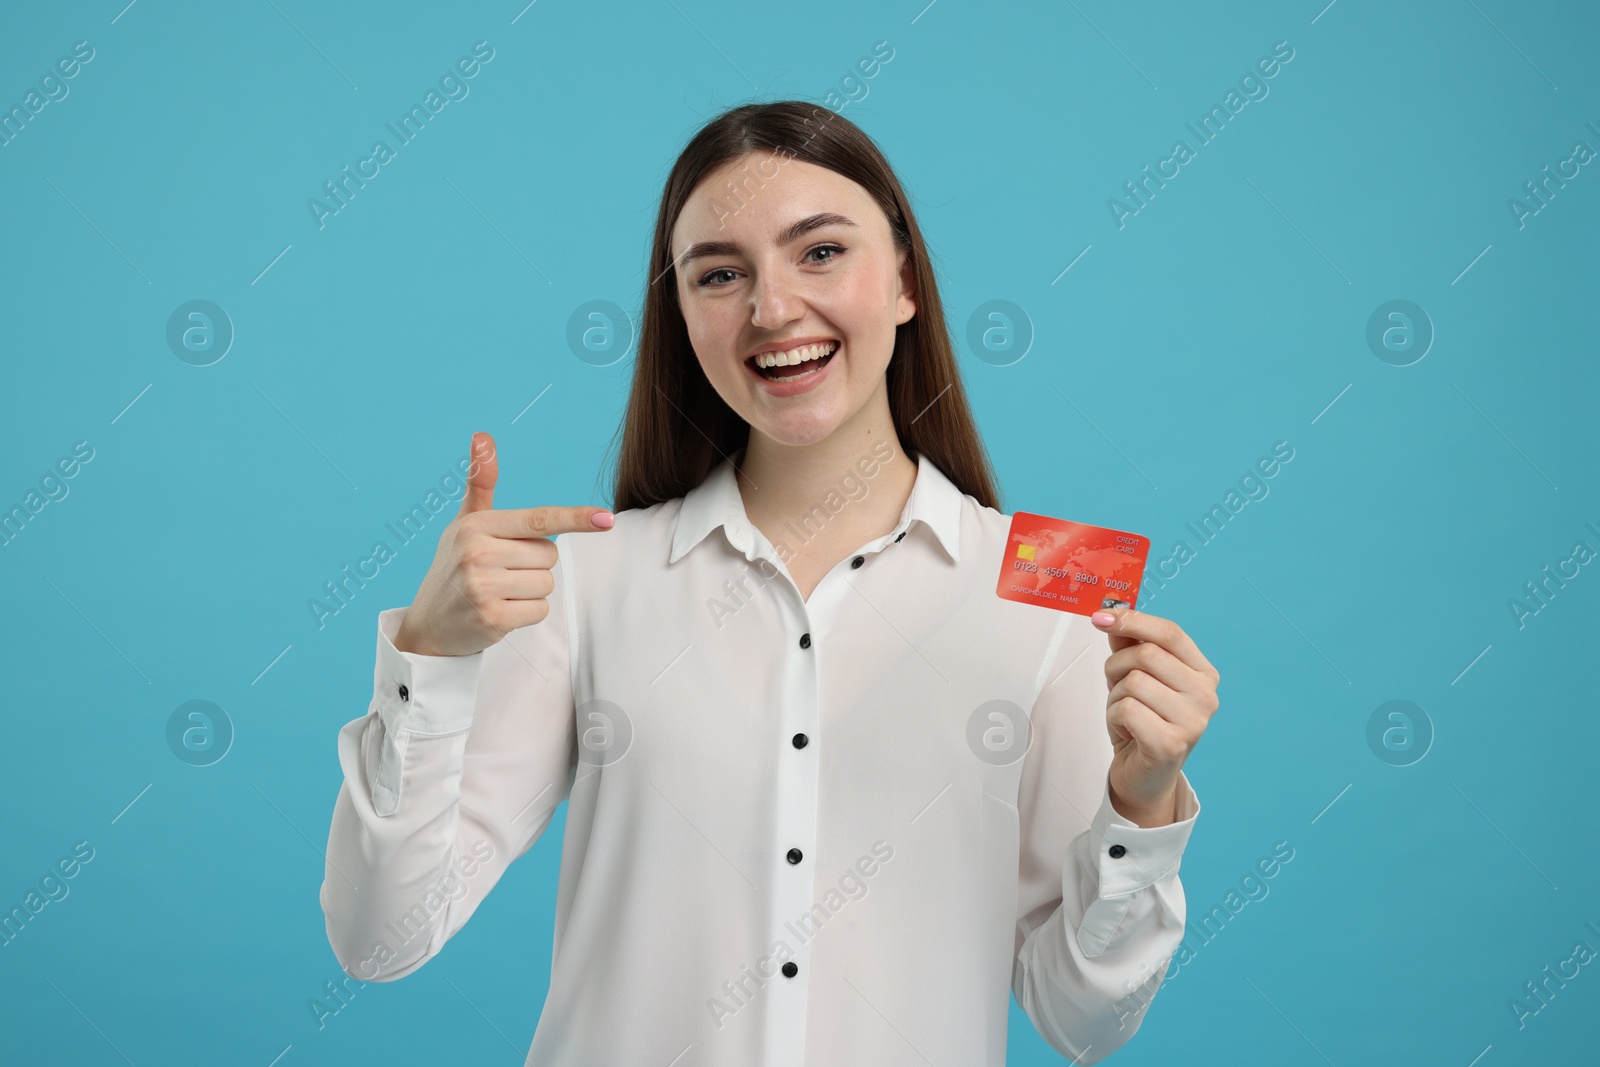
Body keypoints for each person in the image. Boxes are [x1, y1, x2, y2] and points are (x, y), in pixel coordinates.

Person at [320, 100, 1221, 1066]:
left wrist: (1142, 798)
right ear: (683, 315)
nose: (773, 308)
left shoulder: (1050, 594)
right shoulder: (586, 582)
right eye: (720, 273)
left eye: (821, 252)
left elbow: (1081, 1019)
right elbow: (380, 942)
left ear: (908, 280)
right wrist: (432, 660)